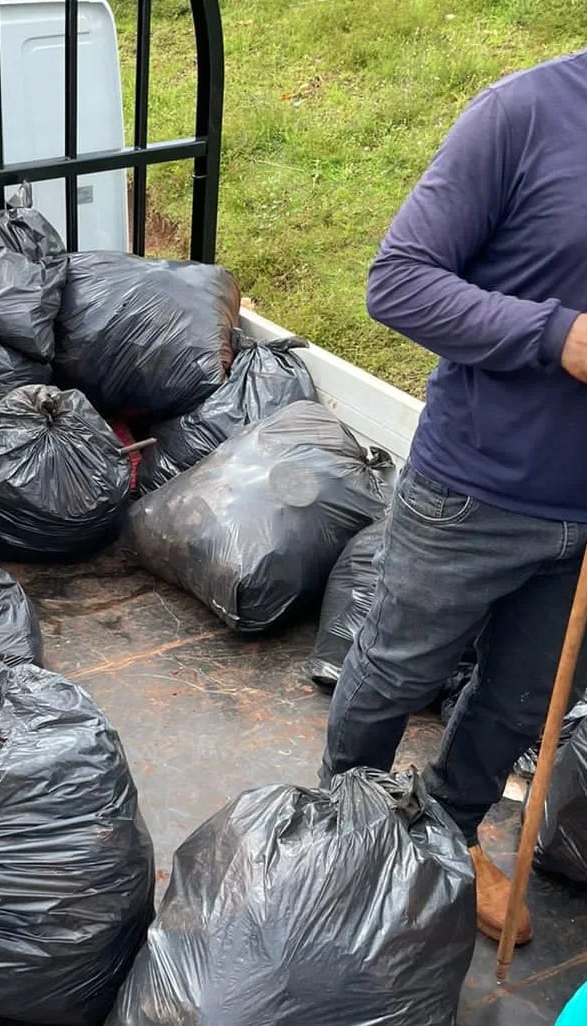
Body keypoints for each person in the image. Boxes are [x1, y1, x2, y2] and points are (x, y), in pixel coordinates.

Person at [321, 48, 587, 947]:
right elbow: (397, 281)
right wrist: (555, 336)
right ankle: (342, 845)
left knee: (521, 703)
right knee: (396, 670)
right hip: (475, 488)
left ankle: (443, 842)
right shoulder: (525, 115)